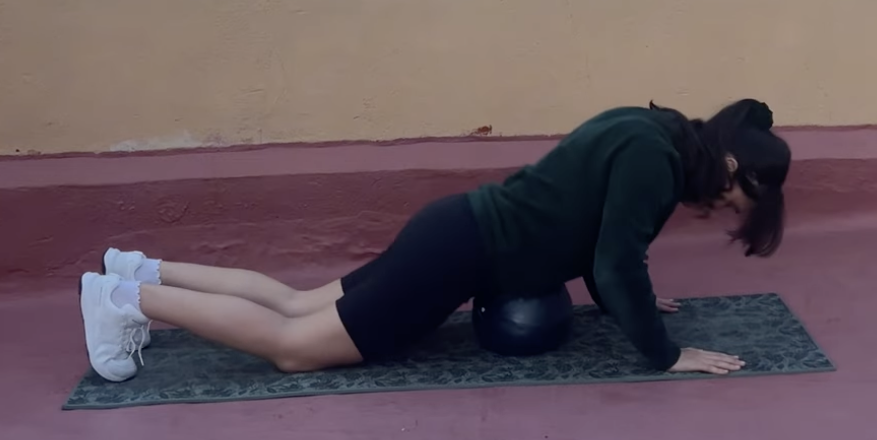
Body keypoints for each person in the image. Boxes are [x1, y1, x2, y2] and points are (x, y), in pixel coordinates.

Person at [79, 98, 791, 382]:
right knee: (295, 349)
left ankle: (140, 268)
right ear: (729, 164)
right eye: (737, 196)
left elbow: (600, 244)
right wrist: (665, 356)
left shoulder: (649, 131)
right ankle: (125, 301)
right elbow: (612, 255)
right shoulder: (656, 164)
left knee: (298, 306)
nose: (726, 206)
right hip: (459, 254)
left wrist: (621, 301)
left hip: (454, 230)